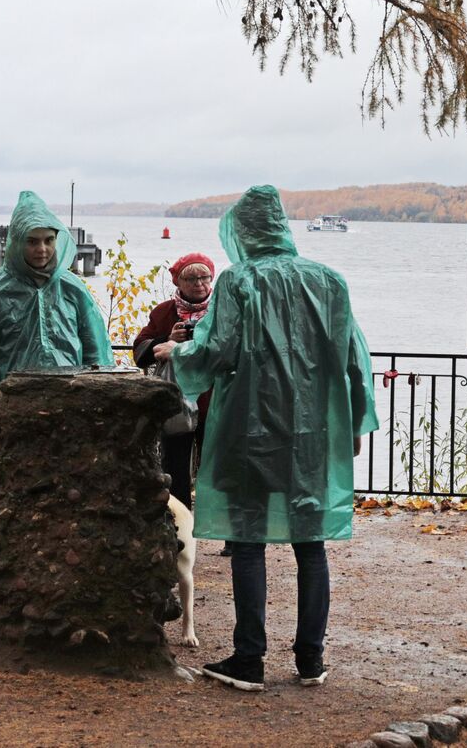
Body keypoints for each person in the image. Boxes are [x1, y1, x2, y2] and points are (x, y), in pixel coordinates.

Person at [171, 185, 379, 692]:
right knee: (311, 544)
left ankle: (250, 659)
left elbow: (215, 349)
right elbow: (356, 356)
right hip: (312, 432)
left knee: (246, 541)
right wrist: (353, 421)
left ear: (242, 232)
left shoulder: (239, 281)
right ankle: (311, 658)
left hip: (249, 428)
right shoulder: (328, 281)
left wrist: (176, 359)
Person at [0, 191, 113, 468]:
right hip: (11, 412)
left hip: (69, 410)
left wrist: (97, 408)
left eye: (49, 240)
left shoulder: (72, 289)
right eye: (32, 241)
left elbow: (95, 351)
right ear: (16, 243)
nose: (43, 249)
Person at [133, 252, 216, 511]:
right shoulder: (164, 313)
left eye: (204, 277)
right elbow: (139, 351)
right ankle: (179, 527)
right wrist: (167, 340)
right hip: (177, 402)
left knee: (217, 467)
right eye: (190, 278)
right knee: (175, 467)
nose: (198, 283)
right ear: (177, 283)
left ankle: (224, 531)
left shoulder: (222, 311)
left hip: (215, 401)